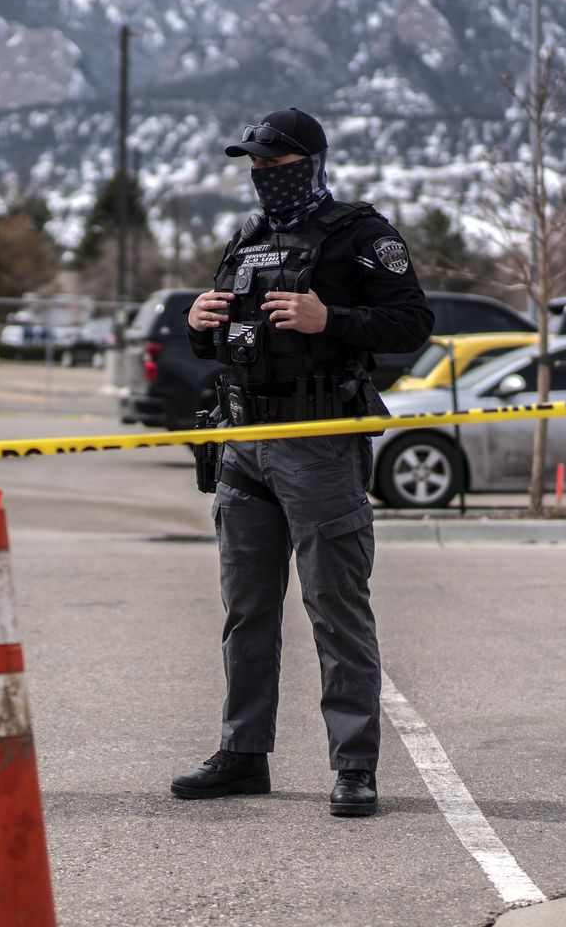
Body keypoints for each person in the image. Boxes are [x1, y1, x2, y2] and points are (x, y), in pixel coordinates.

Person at [172, 107, 431, 816]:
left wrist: (333, 321)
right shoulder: (247, 238)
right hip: (241, 442)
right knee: (246, 610)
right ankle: (242, 752)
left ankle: (354, 768)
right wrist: (199, 325)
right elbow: (238, 331)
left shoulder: (360, 235)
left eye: (274, 165)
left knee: (334, 606)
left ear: (310, 163)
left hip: (318, 441)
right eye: (253, 165)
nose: (261, 176)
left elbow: (413, 323)